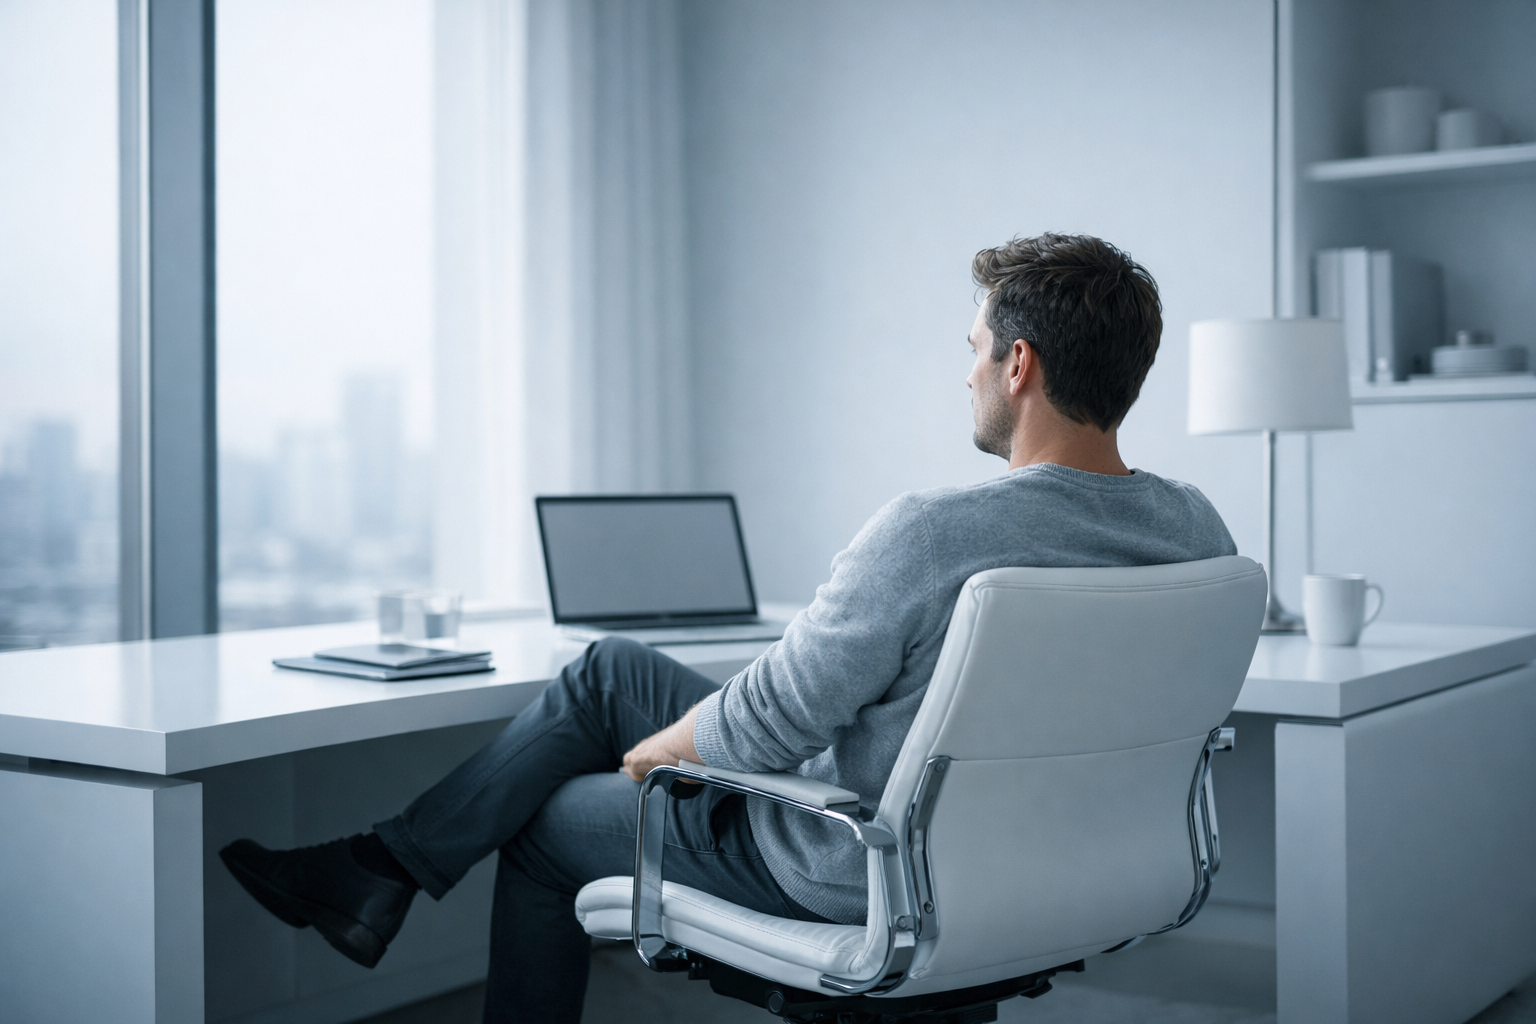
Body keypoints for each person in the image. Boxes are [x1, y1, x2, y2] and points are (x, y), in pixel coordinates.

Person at [221, 233, 1236, 1022]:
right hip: (1039, 864)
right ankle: (378, 868)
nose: (962, 373)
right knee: (609, 669)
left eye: (972, 351)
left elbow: (769, 730)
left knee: (543, 823)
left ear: (1019, 364)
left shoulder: (934, 535)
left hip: (857, 857)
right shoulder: (1195, 530)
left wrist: (665, 754)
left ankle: (381, 872)